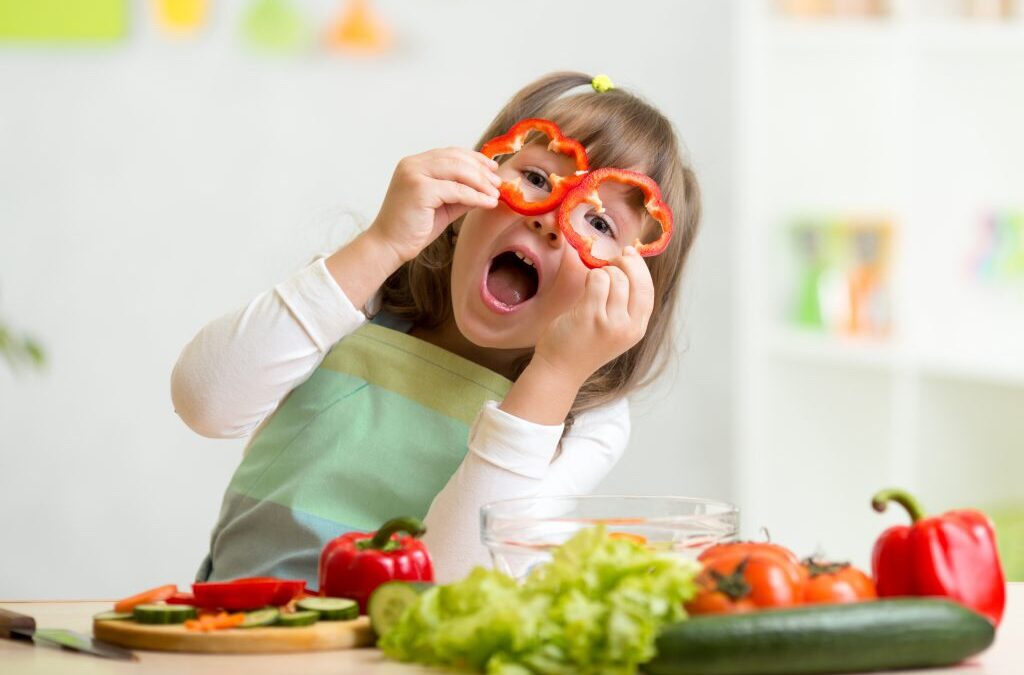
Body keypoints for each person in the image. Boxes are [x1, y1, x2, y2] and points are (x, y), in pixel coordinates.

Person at [171, 71, 702, 585]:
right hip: (231, 634)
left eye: (600, 223)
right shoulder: (363, 293)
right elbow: (204, 403)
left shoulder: (589, 418)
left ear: (632, 288)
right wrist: (380, 243)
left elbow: (454, 579)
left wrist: (556, 374)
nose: (550, 219)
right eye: (537, 178)